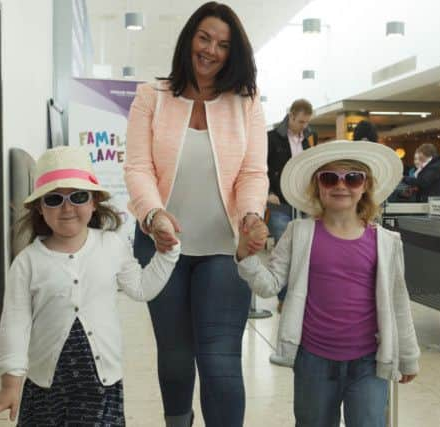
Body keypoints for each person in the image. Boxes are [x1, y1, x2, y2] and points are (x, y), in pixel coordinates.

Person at [124, 2, 268, 426]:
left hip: (225, 247)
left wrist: (250, 218)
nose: (211, 50)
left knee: (220, 360)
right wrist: (154, 216)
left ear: (233, 52)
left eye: (223, 44)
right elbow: (138, 167)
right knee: (174, 357)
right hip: (160, 244)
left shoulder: (246, 103)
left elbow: (252, 172)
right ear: (189, 38)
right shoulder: (152, 96)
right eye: (204, 38)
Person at [0, 146, 180, 427]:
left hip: (102, 386)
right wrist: (10, 383)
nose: (67, 208)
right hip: (45, 388)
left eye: (78, 197)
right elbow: (15, 324)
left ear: (94, 202)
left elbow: (141, 288)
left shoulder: (111, 246)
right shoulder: (27, 262)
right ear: (40, 208)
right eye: (54, 199)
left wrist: (168, 252)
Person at [237, 140, 420, 427]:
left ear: (365, 187)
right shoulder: (298, 233)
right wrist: (245, 257)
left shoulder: (385, 241)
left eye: (353, 178)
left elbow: (398, 301)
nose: (341, 185)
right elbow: (269, 285)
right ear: (317, 186)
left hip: (369, 362)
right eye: (329, 177)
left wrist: (408, 356)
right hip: (313, 359)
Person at [267, 98, 316, 313]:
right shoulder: (272, 138)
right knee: (283, 249)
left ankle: (302, 297)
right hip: (280, 201)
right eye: (300, 122)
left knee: (305, 249)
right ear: (291, 116)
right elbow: (262, 167)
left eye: (307, 122)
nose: (304, 126)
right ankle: (284, 298)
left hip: (303, 201)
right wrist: (268, 192)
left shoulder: (309, 138)